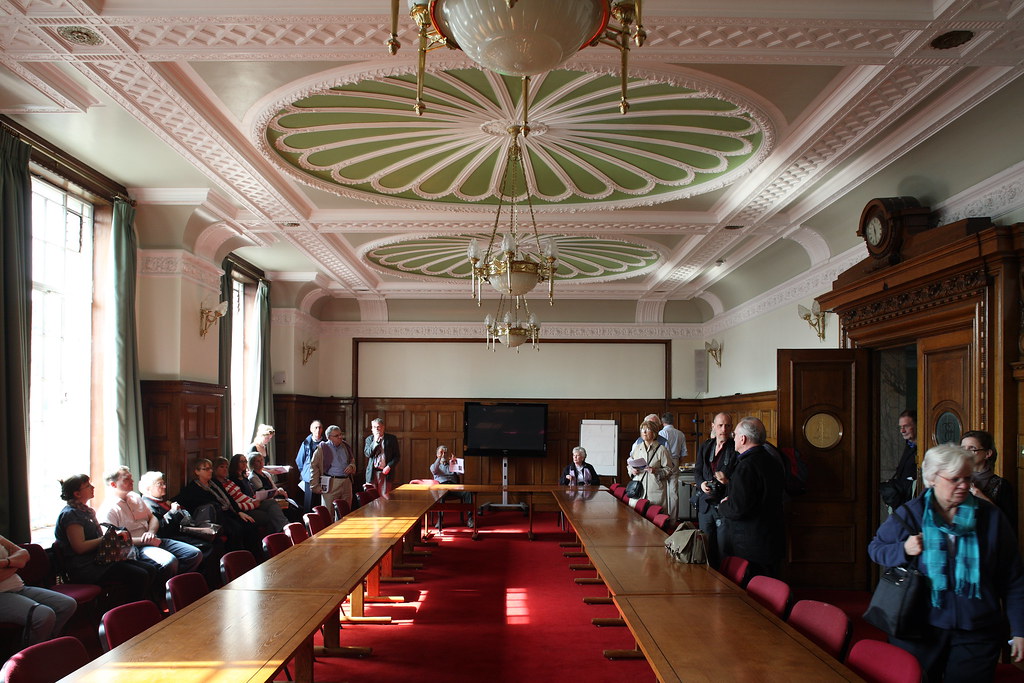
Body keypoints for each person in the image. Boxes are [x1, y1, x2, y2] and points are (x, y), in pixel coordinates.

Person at [868, 444, 1024, 680]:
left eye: (967, 478)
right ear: (932, 479)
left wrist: (1020, 630)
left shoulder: (991, 517)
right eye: (955, 479)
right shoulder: (910, 514)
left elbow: (1013, 578)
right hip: (918, 627)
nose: (964, 486)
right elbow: (876, 549)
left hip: (977, 629)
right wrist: (904, 549)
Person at [99, 466, 203, 595]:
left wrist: (151, 532)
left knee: (194, 554)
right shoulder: (109, 508)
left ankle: (177, 587)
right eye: (127, 479)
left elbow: (152, 518)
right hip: (136, 546)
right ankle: (164, 594)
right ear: (113, 484)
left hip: (152, 538)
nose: (132, 481)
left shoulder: (135, 497)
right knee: (169, 561)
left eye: (131, 477)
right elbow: (113, 539)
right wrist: (144, 540)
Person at [54, 474, 155, 603]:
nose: (93, 487)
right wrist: (108, 537)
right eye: (87, 486)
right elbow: (80, 547)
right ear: (77, 494)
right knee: (140, 575)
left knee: (150, 569)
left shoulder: (85, 511)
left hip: (100, 560)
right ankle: (127, 611)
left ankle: (135, 605)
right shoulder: (71, 515)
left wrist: (111, 537)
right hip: (86, 567)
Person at [717, 417, 785, 578]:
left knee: (752, 591)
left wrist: (723, 505)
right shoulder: (772, 459)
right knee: (770, 586)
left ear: (743, 438)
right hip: (772, 535)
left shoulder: (746, 466)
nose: (733, 438)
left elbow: (738, 509)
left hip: (751, 542)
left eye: (735, 434)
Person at [139, 470, 223, 585]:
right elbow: (162, 530)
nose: (164, 486)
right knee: (207, 547)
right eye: (160, 484)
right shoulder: (148, 505)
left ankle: (212, 582)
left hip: (180, 532)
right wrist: (173, 512)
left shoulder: (162, 501)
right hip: (170, 537)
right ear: (148, 488)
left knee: (217, 540)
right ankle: (197, 584)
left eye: (164, 483)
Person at [173, 458, 262, 558]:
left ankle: (255, 558)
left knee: (250, 524)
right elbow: (177, 500)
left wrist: (239, 512)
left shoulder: (214, 483)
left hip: (228, 513)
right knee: (236, 530)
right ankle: (237, 560)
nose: (210, 471)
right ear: (197, 471)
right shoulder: (192, 488)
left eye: (210, 468)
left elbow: (229, 498)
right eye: (206, 469)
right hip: (213, 519)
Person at [0, 534, 77, 645]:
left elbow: (24, 554)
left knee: (67, 604)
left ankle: (45, 644)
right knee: (44, 615)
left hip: (18, 587)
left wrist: (7, 562)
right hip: (2, 594)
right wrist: (16, 564)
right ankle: (27, 657)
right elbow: (20, 562)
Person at [694, 412, 737, 568]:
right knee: (705, 546)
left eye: (727, 426)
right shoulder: (706, 446)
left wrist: (727, 481)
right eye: (720, 425)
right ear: (713, 426)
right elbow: (697, 471)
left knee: (723, 547)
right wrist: (702, 483)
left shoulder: (736, 448)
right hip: (705, 505)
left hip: (723, 504)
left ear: (731, 428)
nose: (723, 429)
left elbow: (740, 478)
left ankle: (725, 583)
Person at [961, 430, 1017, 531]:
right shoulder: (956, 479)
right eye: (962, 449)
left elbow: (1008, 524)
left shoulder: (1002, 485)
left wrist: (983, 498)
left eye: (972, 449)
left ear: (987, 453)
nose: (965, 453)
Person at [223, 455, 288, 533]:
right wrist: (253, 502)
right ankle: (282, 531)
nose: (244, 463)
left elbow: (251, 492)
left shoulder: (244, 477)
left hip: (254, 500)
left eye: (245, 461)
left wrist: (255, 498)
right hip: (247, 505)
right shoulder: (233, 479)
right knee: (270, 515)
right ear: (235, 463)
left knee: (272, 503)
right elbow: (239, 497)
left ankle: (284, 529)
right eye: (241, 461)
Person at [627, 420, 677, 520]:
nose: (644, 432)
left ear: (654, 432)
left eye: (647, 429)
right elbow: (629, 465)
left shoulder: (661, 449)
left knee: (653, 521)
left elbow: (669, 470)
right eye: (642, 429)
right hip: (638, 490)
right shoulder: (637, 448)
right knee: (636, 521)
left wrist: (655, 471)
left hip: (655, 491)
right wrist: (632, 470)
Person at [312, 425, 357, 519]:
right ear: (329, 437)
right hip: (331, 482)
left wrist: (352, 466)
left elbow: (352, 460)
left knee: (345, 512)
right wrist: (315, 485)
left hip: (346, 482)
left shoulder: (346, 446)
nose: (340, 437)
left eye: (341, 434)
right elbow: (314, 466)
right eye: (336, 436)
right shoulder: (322, 448)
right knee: (328, 512)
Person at [248, 451, 301, 522]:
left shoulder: (266, 474)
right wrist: (277, 492)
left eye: (261, 460)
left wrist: (280, 490)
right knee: (290, 511)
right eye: (258, 461)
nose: (261, 462)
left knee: (297, 507)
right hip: (265, 501)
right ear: (253, 464)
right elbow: (262, 493)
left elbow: (274, 488)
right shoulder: (253, 477)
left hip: (273, 496)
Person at [429, 445, 474, 528]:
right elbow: (434, 470)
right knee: (440, 494)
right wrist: (439, 458)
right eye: (441, 453)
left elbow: (460, 473)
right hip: (442, 487)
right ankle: (440, 519)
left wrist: (455, 462)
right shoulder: (434, 465)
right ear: (437, 454)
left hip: (454, 487)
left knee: (468, 493)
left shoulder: (451, 465)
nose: (443, 455)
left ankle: (470, 518)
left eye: (445, 453)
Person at [881, 410, 918, 510]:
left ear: (916, 425)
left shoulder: (923, 449)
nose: (902, 431)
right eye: (900, 427)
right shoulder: (909, 445)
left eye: (906, 426)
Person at [364, 417, 401, 496]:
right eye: (374, 427)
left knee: (384, 498)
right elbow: (368, 454)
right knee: (371, 498)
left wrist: (389, 466)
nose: (376, 429)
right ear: (371, 429)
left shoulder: (391, 439)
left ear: (383, 427)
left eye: (378, 427)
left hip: (385, 473)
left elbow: (397, 456)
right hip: (372, 473)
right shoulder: (369, 440)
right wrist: (375, 442)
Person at [295, 420, 326, 513]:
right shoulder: (306, 443)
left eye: (320, 427)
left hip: (322, 476)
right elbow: (300, 460)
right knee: (309, 503)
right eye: (315, 427)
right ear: (311, 429)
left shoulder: (326, 442)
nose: (318, 430)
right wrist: (305, 472)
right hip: (309, 477)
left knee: (320, 503)